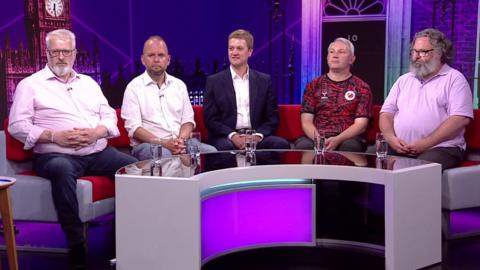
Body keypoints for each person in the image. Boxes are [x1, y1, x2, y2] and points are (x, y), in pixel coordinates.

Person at [7, 29, 138, 269]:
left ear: (74, 54)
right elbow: (17, 126)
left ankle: (125, 235)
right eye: (55, 51)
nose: (61, 57)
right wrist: (54, 136)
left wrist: (96, 132)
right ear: (46, 53)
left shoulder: (88, 83)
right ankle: (77, 244)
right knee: (61, 169)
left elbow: (108, 115)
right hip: (55, 154)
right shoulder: (30, 85)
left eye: (65, 51)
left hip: (96, 151)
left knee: (132, 169)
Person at [380, 28, 473, 170]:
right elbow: (386, 113)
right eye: (414, 51)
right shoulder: (404, 80)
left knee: (418, 169)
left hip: (441, 148)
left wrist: (425, 143)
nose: (416, 56)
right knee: (368, 157)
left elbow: (460, 118)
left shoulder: (454, 79)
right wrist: (391, 138)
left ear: (439, 53)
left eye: (423, 52)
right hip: (399, 146)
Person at [121, 35, 216, 160]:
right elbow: (135, 129)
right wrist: (164, 143)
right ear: (143, 60)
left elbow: (188, 121)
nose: (156, 59)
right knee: (165, 156)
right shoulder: (133, 88)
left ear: (168, 59)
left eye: (161, 55)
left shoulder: (179, 85)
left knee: (212, 152)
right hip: (149, 145)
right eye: (151, 55)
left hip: (182, 142)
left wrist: (180, 140)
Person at [203, 29, 289, 150]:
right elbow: (210, 119)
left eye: (239, 48)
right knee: (225, 148)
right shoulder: (214, 81)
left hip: (255, 135)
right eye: (231, 48)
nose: (234, 52)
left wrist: (257, 136)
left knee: (281, 145)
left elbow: (272, 118)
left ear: (250, 52)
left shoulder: (264, 81)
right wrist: (233, 136)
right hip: (226, 137)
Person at [295, 37, 373, 152]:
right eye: (331, 52)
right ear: (327, 57)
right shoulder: (313, 85)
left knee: (350, 147)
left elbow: (361, 125)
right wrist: (319, 140)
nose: (335, 55)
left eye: (341, 52)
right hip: (316, 136)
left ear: (352, 59)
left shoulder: (362, 87)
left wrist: (338, 139)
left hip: (349, 138)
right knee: (304, 147)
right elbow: (306, 121)